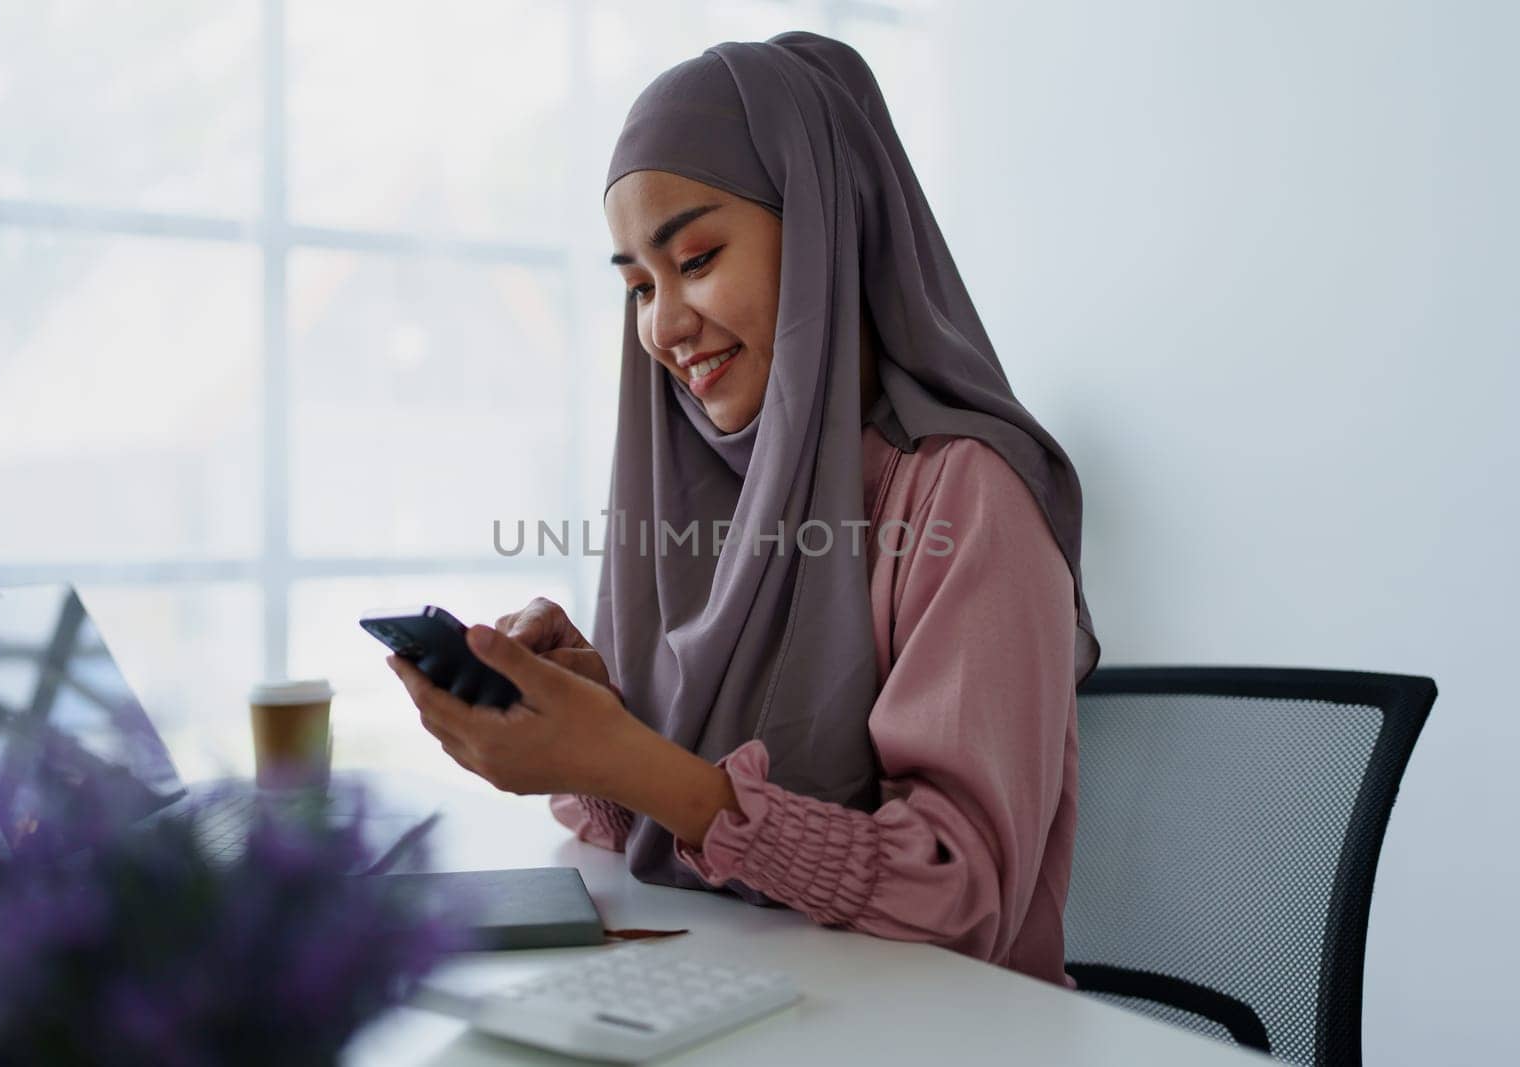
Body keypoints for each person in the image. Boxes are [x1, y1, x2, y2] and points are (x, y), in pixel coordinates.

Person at [387, 31, 1101, 988]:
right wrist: (593, 729)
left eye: (697, 257)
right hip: (755, 1007)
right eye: (639, 286)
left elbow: (961, 896)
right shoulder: (709, 490)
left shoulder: (968, 492)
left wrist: (637, 766)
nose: (663, 325)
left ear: (823, 232)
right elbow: (652, 840)